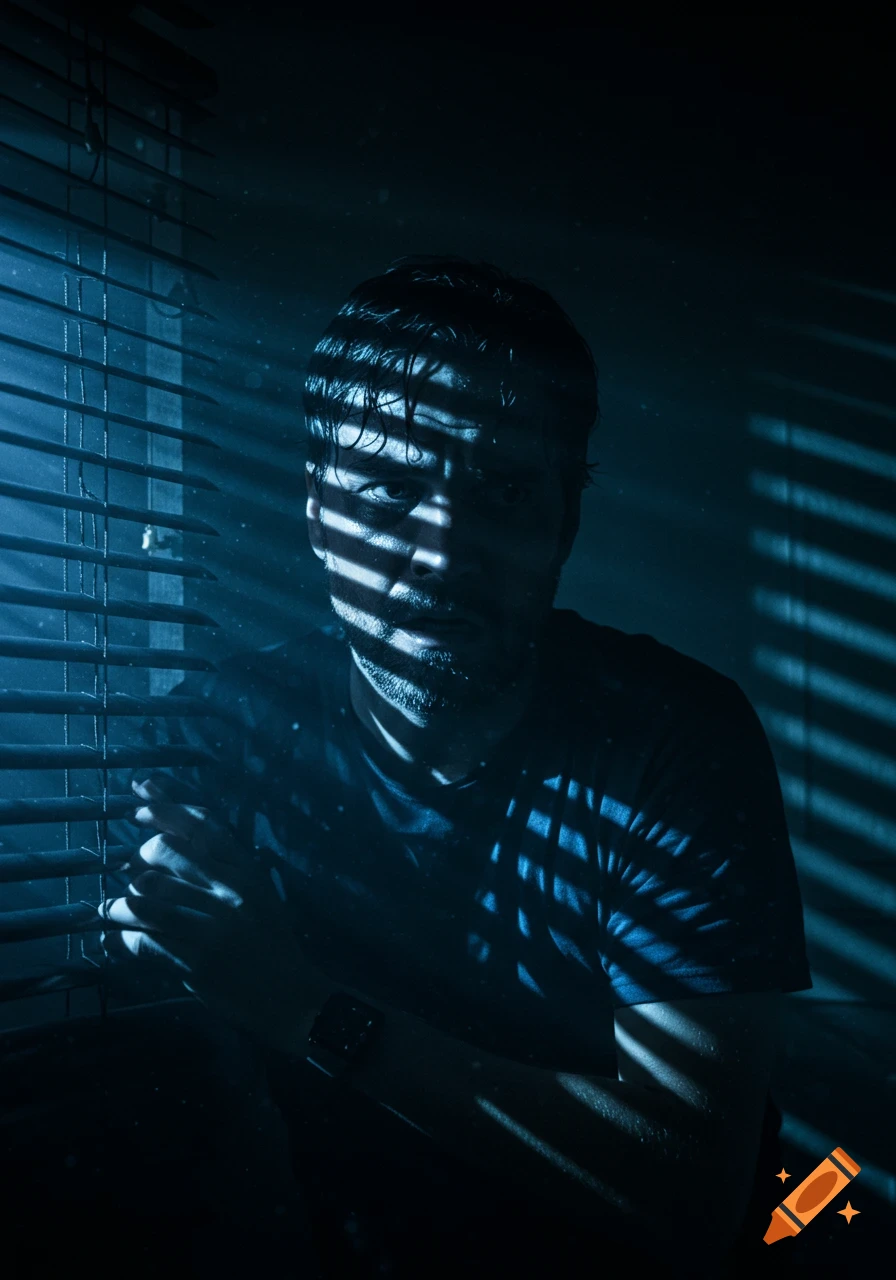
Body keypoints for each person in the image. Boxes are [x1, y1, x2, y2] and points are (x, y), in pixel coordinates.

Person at [100, 257, 812, 1277]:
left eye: (505, 492)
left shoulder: (666, 740)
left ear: (565, 520)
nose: (442, 551)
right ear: (313, 512)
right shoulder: (219, 738)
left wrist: (305, 1007)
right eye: (388, 487)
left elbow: (689, 1193)